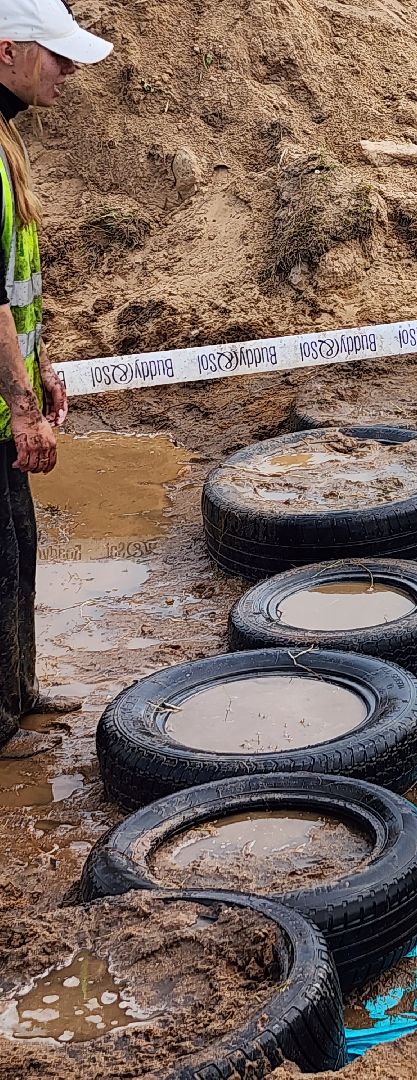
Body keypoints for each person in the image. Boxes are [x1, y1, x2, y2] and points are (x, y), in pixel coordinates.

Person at [0, 0, 111, 747]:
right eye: (56, 54)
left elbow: (16, 285)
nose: (69, 69)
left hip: (4, 401)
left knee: (19, 549)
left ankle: (16, 691)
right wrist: (24, 409)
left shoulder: (7, 139)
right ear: (6, 50)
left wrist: (42, 370)